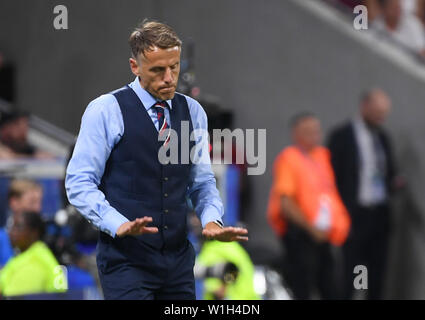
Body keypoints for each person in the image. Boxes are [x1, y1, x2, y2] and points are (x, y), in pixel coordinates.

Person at [65, 20, 248, 300]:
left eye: (174, 67)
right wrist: (116, 223)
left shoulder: (193, 112)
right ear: (134, 66)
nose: (169, 78)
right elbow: (79, 182)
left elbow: (201, 182)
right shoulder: (105, 110)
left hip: (178, 262)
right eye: (158, 70)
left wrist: (212, 220)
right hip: (126, 262)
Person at [267, 113, 351, 300]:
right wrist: (311, 228)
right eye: (307, 132)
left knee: (331, 286)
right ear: (296, 134)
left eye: (316, 131)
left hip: (324, 234)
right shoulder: (289, 159)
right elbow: (286, 202)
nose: (314, 136)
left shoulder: (323, 156)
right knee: (302, 287)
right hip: (302, 235)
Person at [328, 89, 398, 300]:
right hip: (354, 214)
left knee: (376, 273)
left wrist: (394, 183)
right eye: (377, 112)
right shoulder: (342, 136)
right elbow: (332, 177)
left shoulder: (383, 137)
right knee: (354, 269)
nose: (380, 118)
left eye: (383, 113)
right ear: (364, 106)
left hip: (378, 215)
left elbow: (388, 171)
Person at [0, 211, 67, 297]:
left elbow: (13, 297)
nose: (12, 232)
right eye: (12, 227)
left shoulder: (35, 262)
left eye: (18, 227)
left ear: (34, 232)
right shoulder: (26, 256)